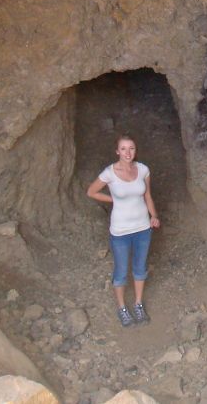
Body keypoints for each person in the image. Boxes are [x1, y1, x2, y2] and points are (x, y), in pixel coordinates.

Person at [87, 134, 161, 327]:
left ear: (135, 151)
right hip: (120, 230)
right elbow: (91, 191)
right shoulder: (110, 173)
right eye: (124, 148)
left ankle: (137, 304)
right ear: (117, 151)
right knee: (121, 271)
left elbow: (148, 196)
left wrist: (154, 216)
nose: (128, 152)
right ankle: (122, 308)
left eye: (132, 148)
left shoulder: (143, 169)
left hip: (143, 228)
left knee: (140, 267)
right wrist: (114, 199)